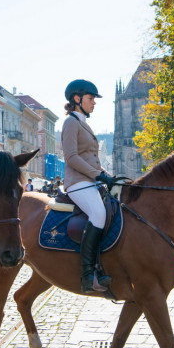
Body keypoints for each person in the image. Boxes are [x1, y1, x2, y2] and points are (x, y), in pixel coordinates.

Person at [62, 79, 115, 293]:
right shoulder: (71, 122)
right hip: (77, 182)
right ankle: (87, 276)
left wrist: (111, 177)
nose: (94, 102)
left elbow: (92, 159)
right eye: (91, 98)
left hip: (90, 181)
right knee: (99, 213)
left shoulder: (83, 122)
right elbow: (72, 157)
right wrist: (99, 175)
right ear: (77, 98)